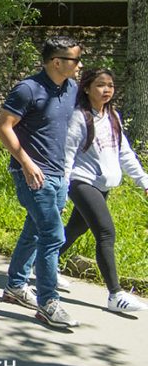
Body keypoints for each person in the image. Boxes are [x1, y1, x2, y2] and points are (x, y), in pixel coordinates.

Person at [0, 36, 82, 329]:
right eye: (74, 60)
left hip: (58, 174)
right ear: (57, 62)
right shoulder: (28, 89)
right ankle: (49, 303)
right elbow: (3, 127)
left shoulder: (71, 88)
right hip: (32, 173)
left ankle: (16, 286)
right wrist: (26, 162)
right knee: (52, 236)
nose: (79, 65)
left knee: (34, 231)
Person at [61, 68, 148, 312]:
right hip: (82, 182)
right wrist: (61, 187)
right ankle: (115, 295)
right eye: (100, 85)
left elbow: (125, 154)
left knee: (76, 228)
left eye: (110, 85)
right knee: (106, 232)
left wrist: (143, 180)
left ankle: (43, 263)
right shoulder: (79, 116)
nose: (106, 89)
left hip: (102, 185)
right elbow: (67, 154)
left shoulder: (113, 117)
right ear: (87, 88)